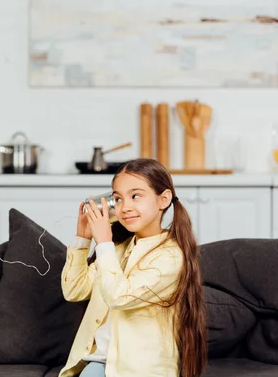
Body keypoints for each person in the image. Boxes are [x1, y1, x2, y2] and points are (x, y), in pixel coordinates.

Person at [59, 158, 207, 377]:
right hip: (101, 364)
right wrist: (83, 238)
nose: (125, 207)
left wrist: (104, 243)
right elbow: (74, 289)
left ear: (163, 200)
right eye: (117, 199)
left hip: (140, 371)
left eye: (135, 196)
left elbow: (118, 296)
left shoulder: (170, 257)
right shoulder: (118, 249)